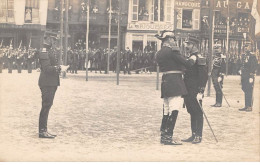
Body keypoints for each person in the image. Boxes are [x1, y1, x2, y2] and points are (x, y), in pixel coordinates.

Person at [155, 31, 195, 145]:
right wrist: (193, 58)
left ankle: (163, 135)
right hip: (175, 83)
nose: (174, 41)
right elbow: (187, 64)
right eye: (173, 39)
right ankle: (168, 137)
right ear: (168, 40)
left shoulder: (159, 53)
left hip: (166, 82)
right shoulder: (173, 51)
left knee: (166, 110)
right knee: (174, 110)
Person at [181, 36, 208, 144]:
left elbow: (204, 76)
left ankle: (199, 135)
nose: (186, 46)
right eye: (186, 44)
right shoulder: (190, 57)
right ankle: (193, 134)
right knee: (191, 111)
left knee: (197, 112)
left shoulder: (199, 57)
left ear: (194, 45)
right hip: (188, 89)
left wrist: (201, 91)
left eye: (189, 44)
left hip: (195, 90)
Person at [38, 31, 61, 138]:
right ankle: (42, 131)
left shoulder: (50, 51)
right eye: (53, 39)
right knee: (46, 106)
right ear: (48, 39)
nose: (55, 42)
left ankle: (44, 130)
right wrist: (58, 68)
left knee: (48, 105)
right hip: (46, 82)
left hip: (51, 82)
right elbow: (47, 68)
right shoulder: (43, 51)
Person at [238, 43, 258, 112]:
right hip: (244, 75)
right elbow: (242, 64)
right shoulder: (244, 55)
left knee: (249, 90)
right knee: (245, 89)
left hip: (249, 75)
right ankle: (246, 105)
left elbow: (254, 66)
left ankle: (249, 106)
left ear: (250, 48)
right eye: (245, 47)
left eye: (248, 47)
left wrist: (251, 76)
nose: (246, 48)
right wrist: (240, 70)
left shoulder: (253, 56)